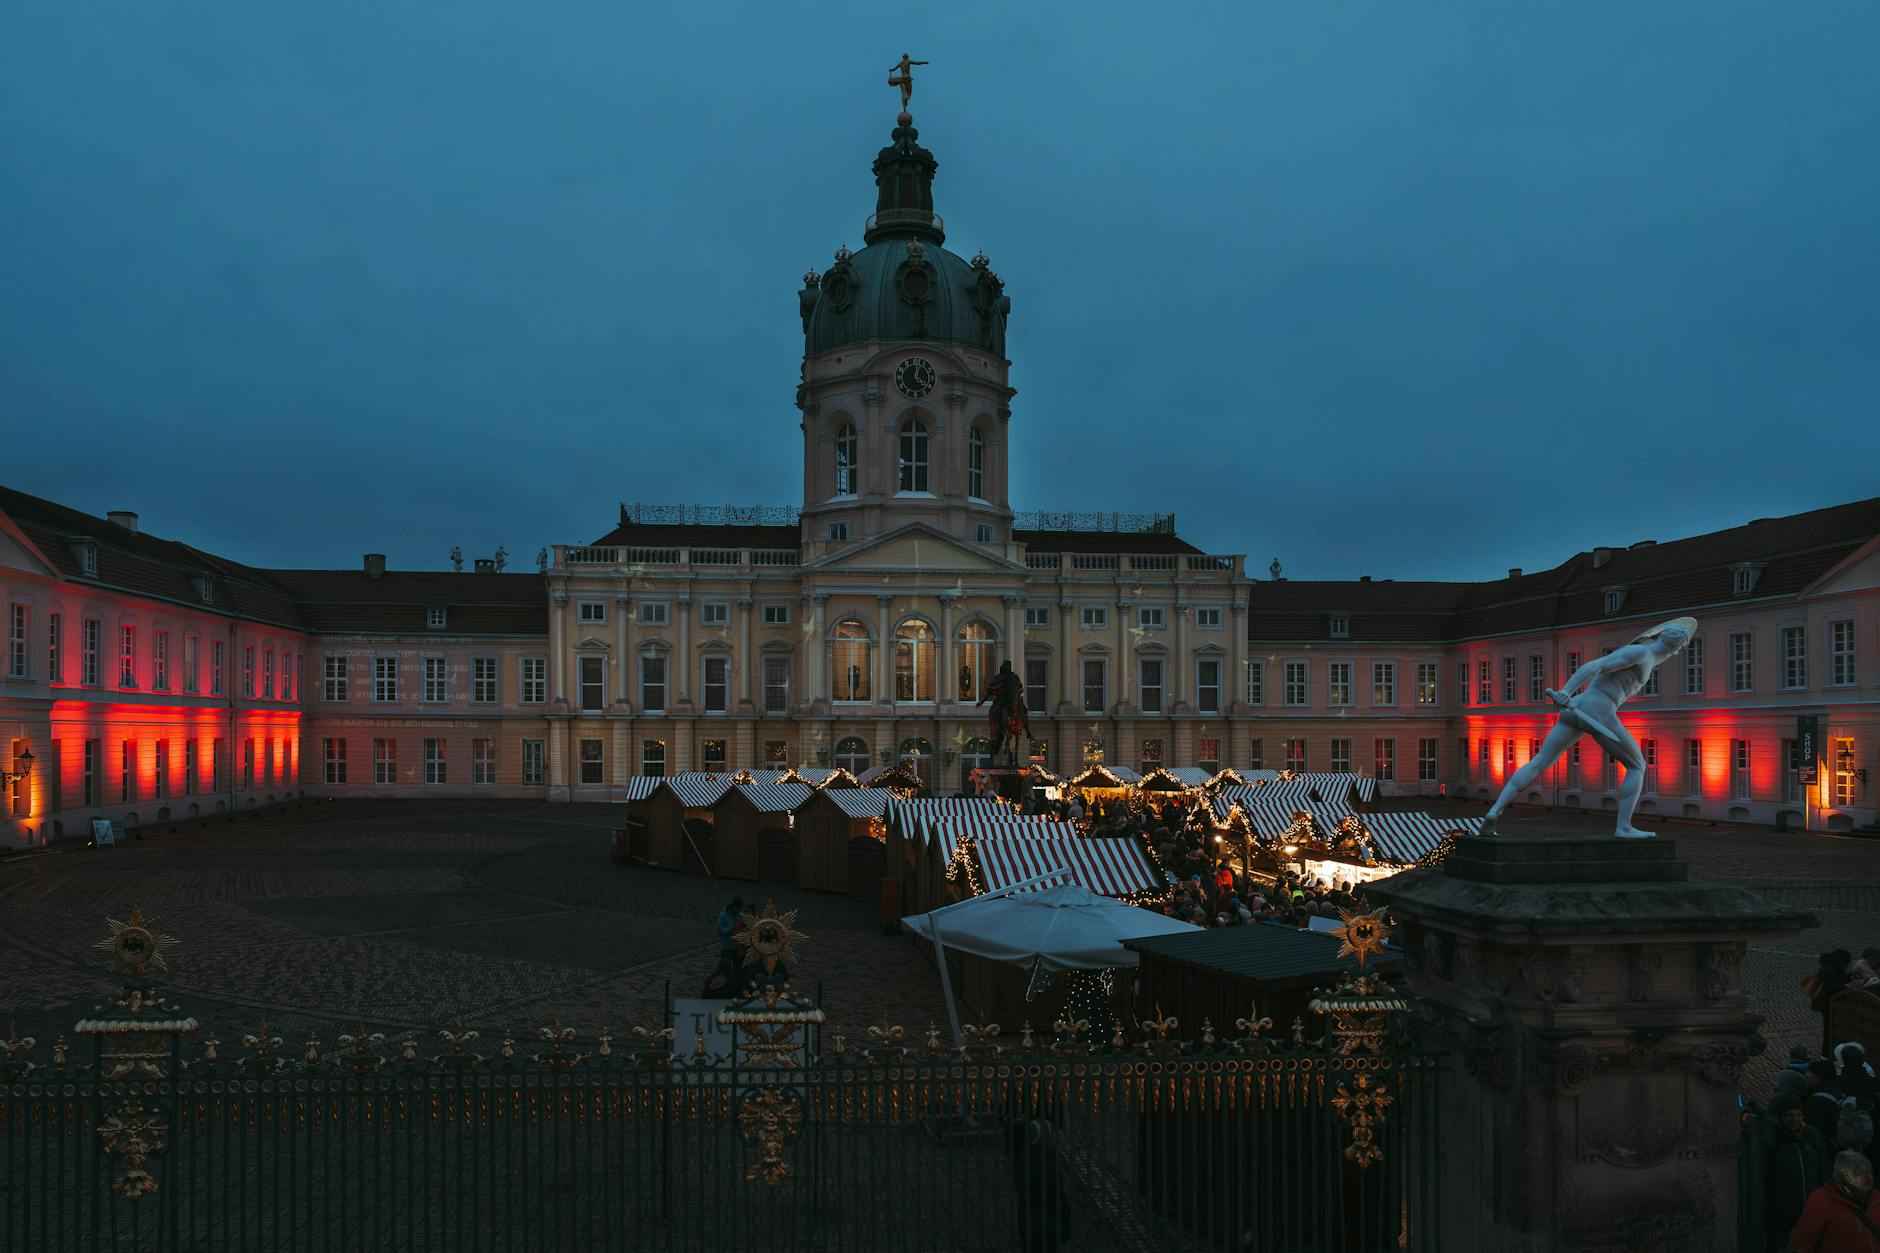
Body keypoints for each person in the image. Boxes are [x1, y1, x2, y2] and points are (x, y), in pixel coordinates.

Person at [1478, 617, 1695, 839]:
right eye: (1682, 647)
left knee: (1539, 762)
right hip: (1599, 707)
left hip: (1578, 708)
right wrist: (1566, 691)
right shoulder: (1641, 653)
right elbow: (1594, 666)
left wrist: (1568, 694)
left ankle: (1494, 811)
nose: (1678, 652)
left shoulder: (1647, 657)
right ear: (1676, 646)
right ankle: (1624, 827)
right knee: (1637, 765)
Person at [1766, 1094, 1831, 1250]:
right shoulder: (1774, 1141)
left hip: (1812, 1209)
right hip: (1784, 1214)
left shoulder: (1812, 1137)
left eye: (1798, 1115)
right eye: (1789, 1115)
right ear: (1780, 1117)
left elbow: (1823, 1169)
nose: (1794, 1119)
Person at [1789, 1149, 1880, 1250]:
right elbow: (1801, 1243)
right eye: (1858, 1172)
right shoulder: (1821, 1201)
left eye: (1867, 1171)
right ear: (1842, 1180)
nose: (1865, 1177)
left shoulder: (1876, 1199)